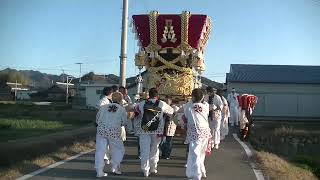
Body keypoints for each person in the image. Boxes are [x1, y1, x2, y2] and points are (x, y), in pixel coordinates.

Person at [134, 88, 174, 177]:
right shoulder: (162, 103)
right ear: (157, 95)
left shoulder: (142, 103)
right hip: (157, 129)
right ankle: (153, 168)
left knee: (144, 149)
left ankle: (145, 170)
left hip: (144, 129)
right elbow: (171, 111)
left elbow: (136, 110)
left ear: (149, 95)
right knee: (154, 149)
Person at [94, 92, 127, 177]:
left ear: (112, 98)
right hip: (114, 132)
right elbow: (124, 122)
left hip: (101, 131)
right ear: (120, 100)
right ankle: (115, 167)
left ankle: (99, 171)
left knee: (100, 151)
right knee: (118, 150)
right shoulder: (122, 109)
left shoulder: (103, 107)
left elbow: (97, 120)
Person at [183, 88, 212, 180]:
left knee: (194, 154)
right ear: (203, 97)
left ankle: (196, 175)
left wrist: (191, 100)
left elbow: (186, 116)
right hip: (205, 132)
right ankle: (202, 171)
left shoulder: (188, 106)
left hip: (195, 132)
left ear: (193, 97)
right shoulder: (206, 106)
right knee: (201, 154)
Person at [95, 86, 113, 165]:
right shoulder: (102, 101)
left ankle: (107, 157)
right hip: (104, 124)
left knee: (108, 143)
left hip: (110, 124)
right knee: (104, 143)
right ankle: (105, 158)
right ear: (111, 93)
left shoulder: (111, 100)